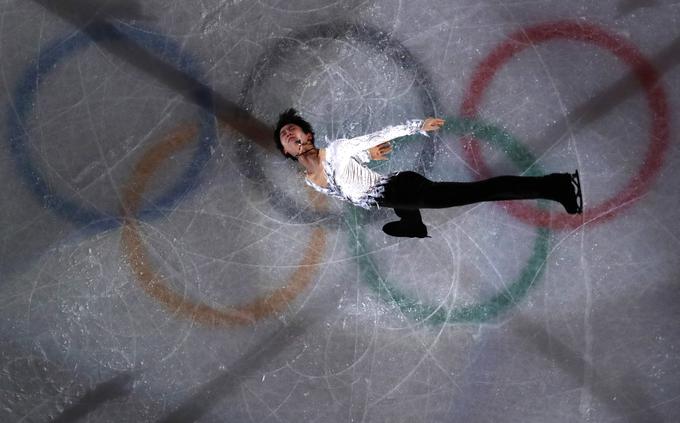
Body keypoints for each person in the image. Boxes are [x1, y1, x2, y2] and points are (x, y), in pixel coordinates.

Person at [274, 108, 582, 238]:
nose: (287, 132)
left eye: (292, 128)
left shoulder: (338, 149)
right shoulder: (310, 181)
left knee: (484, 191)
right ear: (287, 152)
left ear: (307, 135)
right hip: (388, 193)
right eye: (283, 136)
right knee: (396, 202)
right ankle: (413, 225)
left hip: (406, 189)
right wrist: (367, 157)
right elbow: (346, 182)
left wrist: (415, 127)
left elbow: (380, 135)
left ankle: (558, 185)